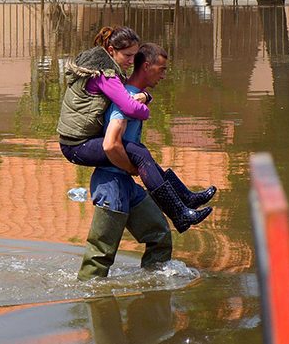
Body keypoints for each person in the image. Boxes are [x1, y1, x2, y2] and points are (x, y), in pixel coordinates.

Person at [58, 28, 216, 233]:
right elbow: (129, 107)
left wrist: (146, 97)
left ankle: (184, 201)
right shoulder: (106, 75)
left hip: (84, 142)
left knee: (142, 154)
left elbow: (126, 94)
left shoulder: (109, 70)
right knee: (140, 155)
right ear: (111, 50)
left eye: (134, 55)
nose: (132, 61)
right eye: (128, 55)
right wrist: (146, 108)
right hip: (76, 145)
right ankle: (179, 212)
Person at [77, 43, 213, 281]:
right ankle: (91, 300)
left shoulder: (135, 96)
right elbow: (111, 144)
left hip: (127, 185)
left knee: (159, 235)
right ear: (146, 66)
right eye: (161, 69)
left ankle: (153, 290)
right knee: (101, 255)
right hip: (111, 184)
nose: (164, 75)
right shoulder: (126, 97)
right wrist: (131, 167)